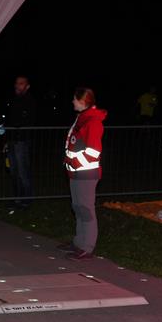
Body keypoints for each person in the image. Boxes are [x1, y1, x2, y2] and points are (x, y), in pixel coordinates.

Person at [58, 87, 106, 260]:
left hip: (86, 173)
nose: (72, 101)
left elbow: (93, 151)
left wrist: (74, 163)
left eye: (74, 99)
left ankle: (87, 247)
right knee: (78, 208)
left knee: (86, 210)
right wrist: (69, 162)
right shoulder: (82, 118)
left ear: (82, 101)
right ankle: (79, 242)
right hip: (76, 172)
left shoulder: (92, 121)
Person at [6, 76, 36, 207]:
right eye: (16, 83)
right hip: (12, 140)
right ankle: (17, 198)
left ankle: (27, 199)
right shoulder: (14, 100)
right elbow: (10, 120)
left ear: (27, 86)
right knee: (14, 171)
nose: (17, 86)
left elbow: (28, 121)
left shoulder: (30, 101)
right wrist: (7, 139)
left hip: (22, 141)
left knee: (23, 170)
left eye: (21, 83)